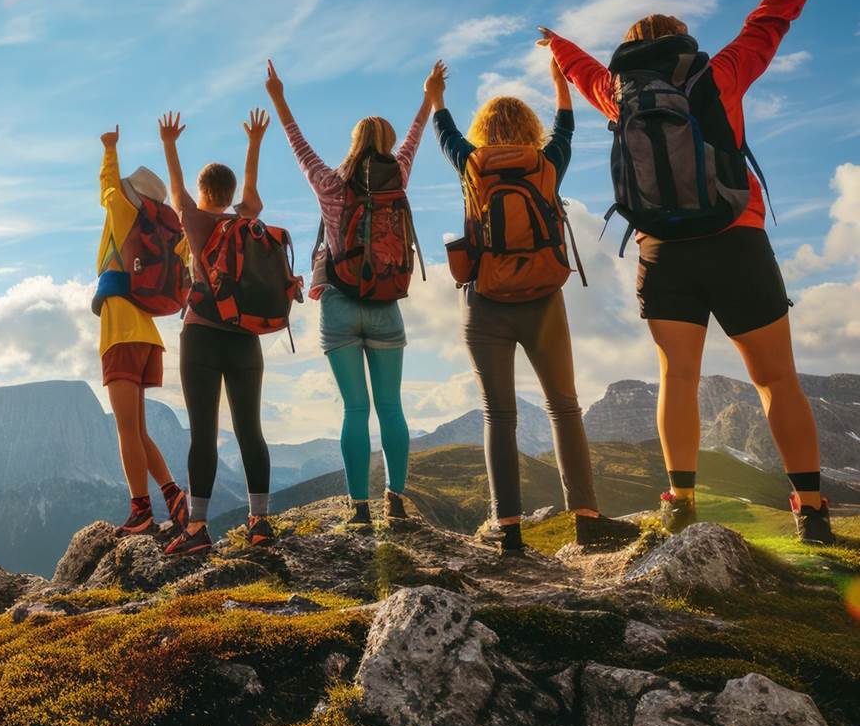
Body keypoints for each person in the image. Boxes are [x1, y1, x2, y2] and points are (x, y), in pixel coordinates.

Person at [539, 0, 849, 545]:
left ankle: (679, 500)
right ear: (682, 40)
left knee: (676, 377)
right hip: (736, 239)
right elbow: (775, 13)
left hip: (661, 249)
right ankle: (813, 509)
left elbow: (580, 67)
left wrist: (556, 43)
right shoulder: (723, 71)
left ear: (634, 48)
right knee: (776, 378)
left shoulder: (616, 91)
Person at [431, 58, 640, 553]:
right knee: (564, 407)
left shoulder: (471, 165)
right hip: (544, 299)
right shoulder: (547, 163)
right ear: (529, 129)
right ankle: (587, 519)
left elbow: (446, 133)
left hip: (484, 303)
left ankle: (507, 529)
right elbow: (566, 125)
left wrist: (436, 95)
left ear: (484, 132)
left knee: (498, 415)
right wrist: (560, 84)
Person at [264, 58, 433, 532]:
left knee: (355, 409)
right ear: (385, 143)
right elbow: (415, 138)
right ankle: (395, 500)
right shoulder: (397, 175)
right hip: (386, 304)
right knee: (392, 407)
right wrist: (429, 96)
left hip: (339, 305)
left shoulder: (331, 185)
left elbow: (298, 145)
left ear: (354, 143)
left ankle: (358, 509)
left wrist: (278, 97)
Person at [158, 109, 275, 554]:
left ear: (204, 191)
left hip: (202, 335)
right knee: (251, 431)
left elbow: (174, 184)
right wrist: (255, 142)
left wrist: (170, 143)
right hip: (246, 338)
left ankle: (197, 529)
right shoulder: (245, 219)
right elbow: (251, 190)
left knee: (203, 434)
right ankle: (260, 521)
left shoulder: (194, 218)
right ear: (228, 193)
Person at [96, 125, 188, 536]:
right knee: (139, 430)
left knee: (125, 430)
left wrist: (110, 149)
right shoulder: (164, 234)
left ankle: (141, 511)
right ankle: (173, 495)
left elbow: (107, 187)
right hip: (149, 335)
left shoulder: (123, 214)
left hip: (119, 329)